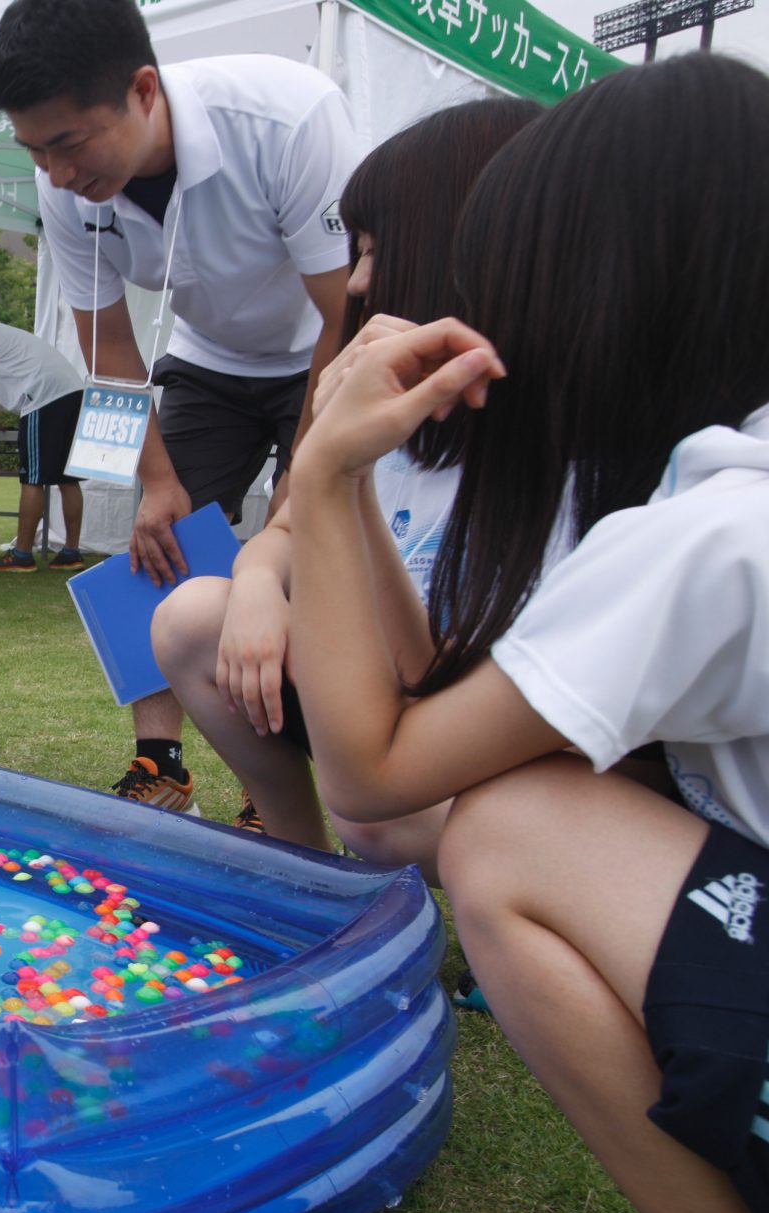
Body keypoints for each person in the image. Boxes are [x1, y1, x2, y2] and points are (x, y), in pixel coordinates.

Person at [284, 55, 769, 1213]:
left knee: (509, 839)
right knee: (532, 804)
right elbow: (453, 701)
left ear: (609, 280)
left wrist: (319, 475)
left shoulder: (707, 533)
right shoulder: (712, 486)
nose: (363, 287)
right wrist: (349, 482)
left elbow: (373, 774)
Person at [151, 97, 547, 870]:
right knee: (195, 615)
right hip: (396, 711)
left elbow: (431, 685)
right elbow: (285, 534)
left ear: (471, 247)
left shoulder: (557, 461)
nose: (357, 280)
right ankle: (303, 870)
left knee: (373, 813)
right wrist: (259, 583)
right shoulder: (403, 416)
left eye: (373, 249)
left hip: (481, 760)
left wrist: (339, 471)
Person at [0, 0, 357, 812]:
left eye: (68, 143)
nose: (54, 174)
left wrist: (299, 487)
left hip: (319, 353)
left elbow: (344, 315)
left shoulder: (287, 121)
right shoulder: (62, 185)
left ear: (144, 90)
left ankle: (275, 781)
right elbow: (107, 341)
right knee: (157, 543)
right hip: (208, 359)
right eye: (34, 149)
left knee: (309, 555)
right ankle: (161, 763)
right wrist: (154, 479)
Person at [0, 321, 89, 572]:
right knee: (68, 478)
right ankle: (71, 552)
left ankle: (22, 554)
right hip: (73, 391)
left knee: (32, 479)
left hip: (43, 394)